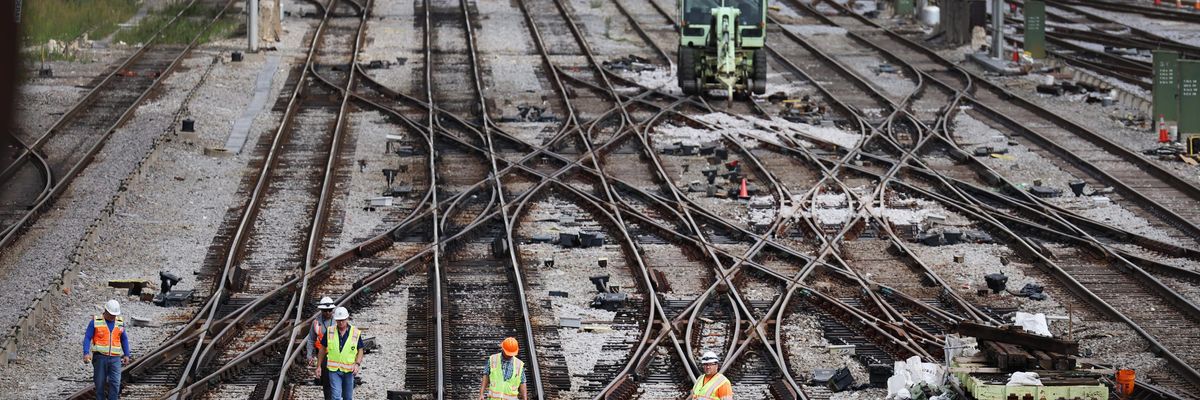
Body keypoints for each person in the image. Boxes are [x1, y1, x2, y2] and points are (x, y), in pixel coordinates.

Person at [83, 300, 130, 400]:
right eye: (111, 314)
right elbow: (87, 337)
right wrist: (86, 353)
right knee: (100, 383)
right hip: (100, 358)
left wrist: (126, 354)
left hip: (115, 358)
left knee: (115, 383)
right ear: (105, 311)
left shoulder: (120, 323)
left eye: (115, 315)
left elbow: (124, 338)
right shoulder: (96, 322)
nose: (113, 317)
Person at [316, 307, 363, 400]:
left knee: (347, 397)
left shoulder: (355, 333)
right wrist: (318, 366)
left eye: (343, 320)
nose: (341, 323)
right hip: (334, 371)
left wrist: (357, 364)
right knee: (336, 397)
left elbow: (360, 350)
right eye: (338, 320)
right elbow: (322, 349)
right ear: (335, 320)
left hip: (349, 371)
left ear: (347, 319)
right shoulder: (330, 331)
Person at [306, 297, 338, 400]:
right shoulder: (316, 323)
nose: (328, 313)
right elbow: (311, 340)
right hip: (323, 355)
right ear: (321, 310)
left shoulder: (338, 321)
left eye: (330, 310)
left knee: (337, 380)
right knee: (326, 381)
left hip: (338, 355)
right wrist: (309, 355)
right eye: (325, 311)